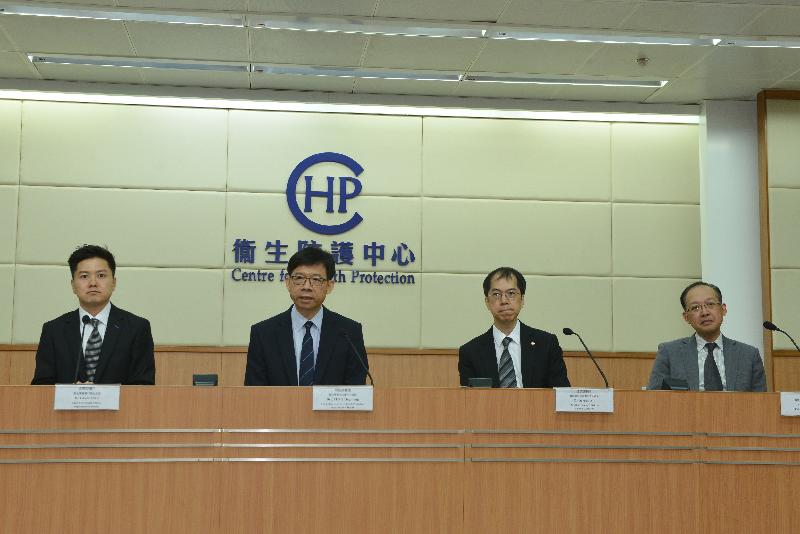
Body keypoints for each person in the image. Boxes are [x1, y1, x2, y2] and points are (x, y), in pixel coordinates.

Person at [31, 245, 155, 385]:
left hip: (122, 408)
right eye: (84, 276)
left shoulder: (137, 328)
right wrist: (69, 395)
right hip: (65, 408)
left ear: (114, 283)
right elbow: (41, 386)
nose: (93, 283)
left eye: (101, 275)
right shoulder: (54, 330)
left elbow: (144, 386)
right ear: (73, 285)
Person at [244, 247, 369, 386]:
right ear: (288, 282)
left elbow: (356, 389)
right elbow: (254, 392)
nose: (307, 286)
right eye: (299, 278)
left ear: (329, 286)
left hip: (332, 409)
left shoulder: (349, 332)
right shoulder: (263, 334)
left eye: (316, 279)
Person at [458, 267, 570, 388]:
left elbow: (562, 395)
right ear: (487, 302)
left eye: (511, 293)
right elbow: (469, 402)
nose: (504, 300)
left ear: (522, 300)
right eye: (496, 294)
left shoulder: (546, 344)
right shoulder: (471, 352)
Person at [646, 281, 766, 391]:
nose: (705, 312)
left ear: (723, 309)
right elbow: (654, 399)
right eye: (695, 308)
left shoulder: (749, 355)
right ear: (686, 317)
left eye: (710, 304)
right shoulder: (670, 352)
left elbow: (761, 402)